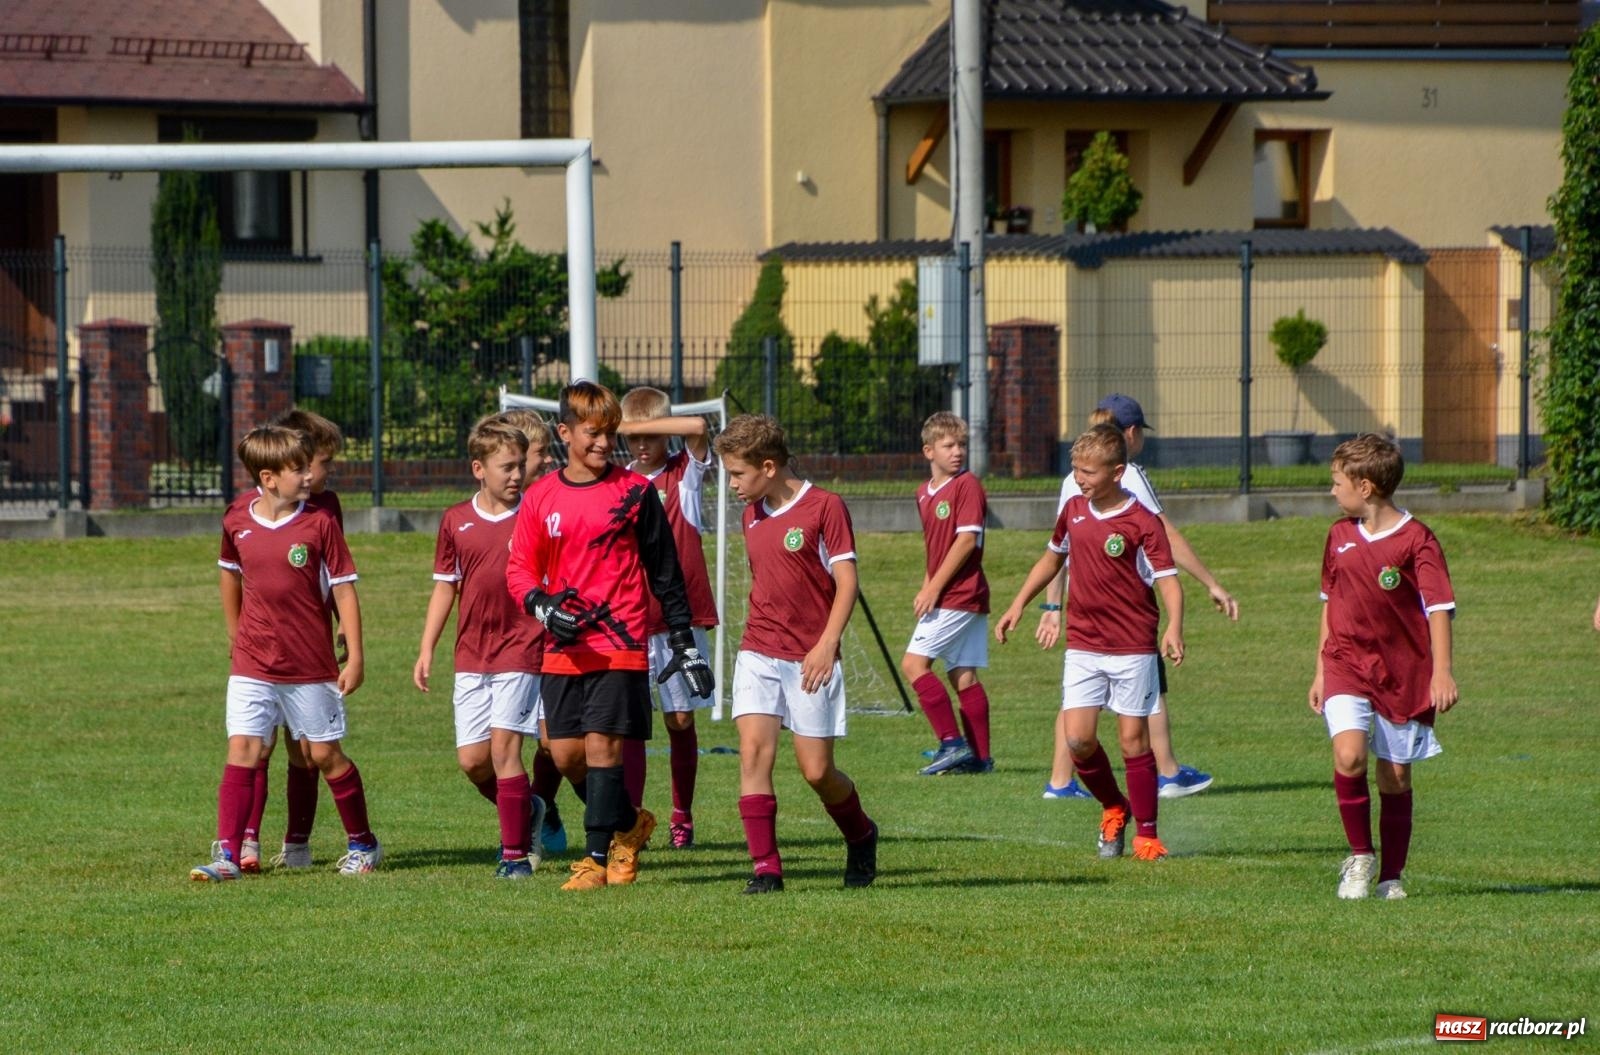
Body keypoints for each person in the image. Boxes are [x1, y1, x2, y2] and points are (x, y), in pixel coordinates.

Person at [505, 380, 712, 891]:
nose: (604, 443)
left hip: (620, 641)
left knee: (603, 749)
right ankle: (631, 824)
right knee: (564, 754)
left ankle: (597, 859)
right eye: (593, 433)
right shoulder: (540, 496)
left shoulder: (635, 493)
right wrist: (542, 605)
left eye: (609, 434)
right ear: (565, 432)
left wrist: (683, 642)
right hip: (562, 648)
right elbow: (520, 569)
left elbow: (666, 572)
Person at [193, 425, 380, 880]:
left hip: (308, 664)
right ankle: (228, 855)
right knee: (244, 747)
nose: (308, 475)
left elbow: (345, 589)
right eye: (298, 469)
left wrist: (356, 656)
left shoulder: (319, 523)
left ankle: (363, 844)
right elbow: (229, 573)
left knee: (324, 754)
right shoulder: (236, 518)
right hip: (253, 661)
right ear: (269, 478)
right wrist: (235, 634)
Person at [996, 424, 1184, 863]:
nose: (1079, 479)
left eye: (1089, 472)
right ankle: (1114, 807)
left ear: (1117, 472)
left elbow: (1168, 581)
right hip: (1083, 644)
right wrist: (1019, 604)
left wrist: (1174, 626)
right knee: (1078, 739)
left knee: (1133, 741)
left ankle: (1147, 836)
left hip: (1133, 646)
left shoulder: (1143, 523)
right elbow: (1052, 559)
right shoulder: (1074, 511)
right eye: (1076, 470)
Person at [1036, 395, 1235, 801]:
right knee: (1145, 696)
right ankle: (1167, 773)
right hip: (1125, 612)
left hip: (1085, 610)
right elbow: (1165, 535)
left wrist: (1052, 606)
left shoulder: (1075, 476)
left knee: (1078, 700)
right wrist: (1210, 582)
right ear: (1130, 433)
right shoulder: (1124, 477)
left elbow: (1058, 554)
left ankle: (1061, 780)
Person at [713, 414, 878, 894]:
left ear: (768, 467)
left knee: (817, 771)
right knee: (752, 753)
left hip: (811, 656)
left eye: (738, 474)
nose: (733, 485)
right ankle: (766, 869)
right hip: (758, 650)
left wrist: (826, 645)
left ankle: (861, 834)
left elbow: (847, 582)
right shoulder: (750, 515)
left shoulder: (825, 507)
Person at [1309, 433, 1457, 900]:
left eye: (1338, 483)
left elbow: (1438, 608)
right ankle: (1360, 857)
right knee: (1349, 756)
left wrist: (1442, 671)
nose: (1332, 491)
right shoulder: (1338, 536)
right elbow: (1330, 603)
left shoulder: (1417, 540)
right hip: (1345, 664)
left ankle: (1391, 876)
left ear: (1365, 487)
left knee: (1394, 776)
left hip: (1402, 673)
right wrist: (1320, 669)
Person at [414, 418, 547, 879]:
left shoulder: (535, 514)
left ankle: (515, 856)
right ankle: (527, 809)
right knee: (473, 761)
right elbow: (445, 586)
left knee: (505, 749)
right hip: (473, 652)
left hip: (523, 646)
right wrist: (427, 647)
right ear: (478, 469)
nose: (516, 475)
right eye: (506, 467)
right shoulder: (456, 520)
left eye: (520, 465)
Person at [235, 408, 346, 872]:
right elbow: (235, 575)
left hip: (307, 645)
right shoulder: (247, 510)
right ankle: (246, 840)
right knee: (257, 744)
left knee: (305, 748)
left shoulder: (327, 508)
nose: (325, 471)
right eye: (323, 462)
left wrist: (341, 622)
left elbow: (335, 573)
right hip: (262, 648)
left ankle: (297, 842)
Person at [618, 387, 720, 847]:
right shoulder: (618, 481)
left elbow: (698, 428)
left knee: (680, 719)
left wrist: (637, 422)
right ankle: (633, 820)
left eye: (652, 435)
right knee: (632, 723)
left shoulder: (683, 474)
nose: (642, 445)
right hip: (632, 618)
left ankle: (683, 814)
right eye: (633, 437)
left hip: (681, 618)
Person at [902, 411, 994, 776]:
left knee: (913, 665)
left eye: (962, 445)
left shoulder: (967, 485)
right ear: (929, 451)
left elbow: (966, 540)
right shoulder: (923, 493)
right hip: (953, 594)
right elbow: (935, 548)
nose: (958, 452)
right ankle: (980, 759)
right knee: (963, 676)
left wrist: (935, 587)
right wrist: (927, 585)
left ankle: (952, 744)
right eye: (949, 445)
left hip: (961, 593)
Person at [498, 408, 569, 855]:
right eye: (540, 453)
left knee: (553, 744)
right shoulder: (486, 512)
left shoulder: (551, 503)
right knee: (485, 757)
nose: (547, 461)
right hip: (505, 650)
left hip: (552, 642)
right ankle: (530, 810)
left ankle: (543, 806)